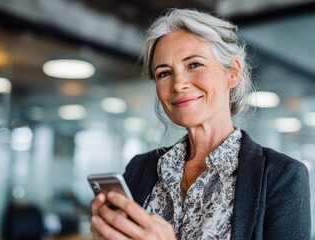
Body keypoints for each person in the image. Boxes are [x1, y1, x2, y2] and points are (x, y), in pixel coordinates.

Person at [90, 8, 311, 240]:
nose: (178, 84)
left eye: (194, 64)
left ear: (233, 73)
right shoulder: (138, 169)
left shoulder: (282, 176)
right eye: (164, 73)